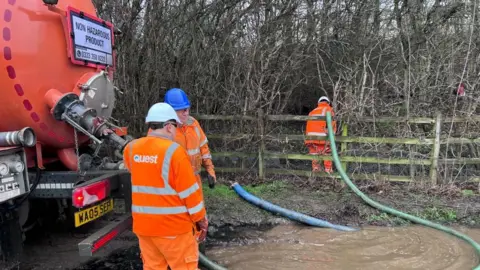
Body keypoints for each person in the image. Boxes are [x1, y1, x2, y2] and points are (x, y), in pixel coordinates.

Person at [123, 102, 208, 270]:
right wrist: (201, 220)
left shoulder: (131, 149)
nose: (176, 131)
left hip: (144, 228)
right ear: (169, 126)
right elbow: (190, 193)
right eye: (175, 127)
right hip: (174, 229)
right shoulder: (174, 152)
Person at [164, 88, 216, 193]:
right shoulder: (161, 129)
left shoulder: (193, 124)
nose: (186, 113)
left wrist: (210, 171)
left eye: (187, 109)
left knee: (197, 208)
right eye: (181, 109)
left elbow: (204, 149)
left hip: (194, 182)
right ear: (170, 111)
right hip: (173, 184)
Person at [304, 96, 337, 173]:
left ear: (318, 103)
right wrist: (332, 135)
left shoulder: (312, 112)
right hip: (322, 137)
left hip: (310, 138)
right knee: (327, 153)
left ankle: (316, 172)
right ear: (328, 103)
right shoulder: (329, 109)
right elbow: (333, 125)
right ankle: (328, 172)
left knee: (314, 155)